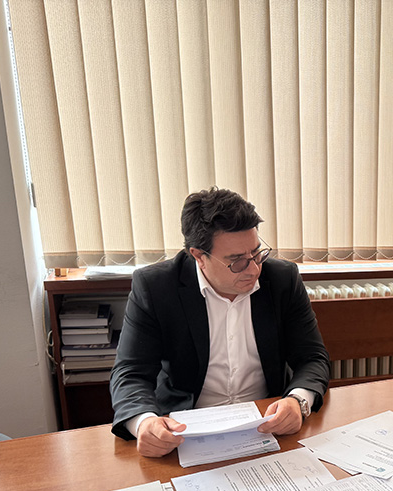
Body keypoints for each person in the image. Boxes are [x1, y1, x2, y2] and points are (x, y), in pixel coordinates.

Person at [110, 187, 330, 457]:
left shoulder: (282, 279)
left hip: (266, 425)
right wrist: (144, 422)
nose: (253, 269)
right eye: (237, 261)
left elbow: (312, 357)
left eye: (256, 253)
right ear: (199, 256)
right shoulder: (156, 287)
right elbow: (130, 372)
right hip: (186, 432)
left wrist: (298, 401)